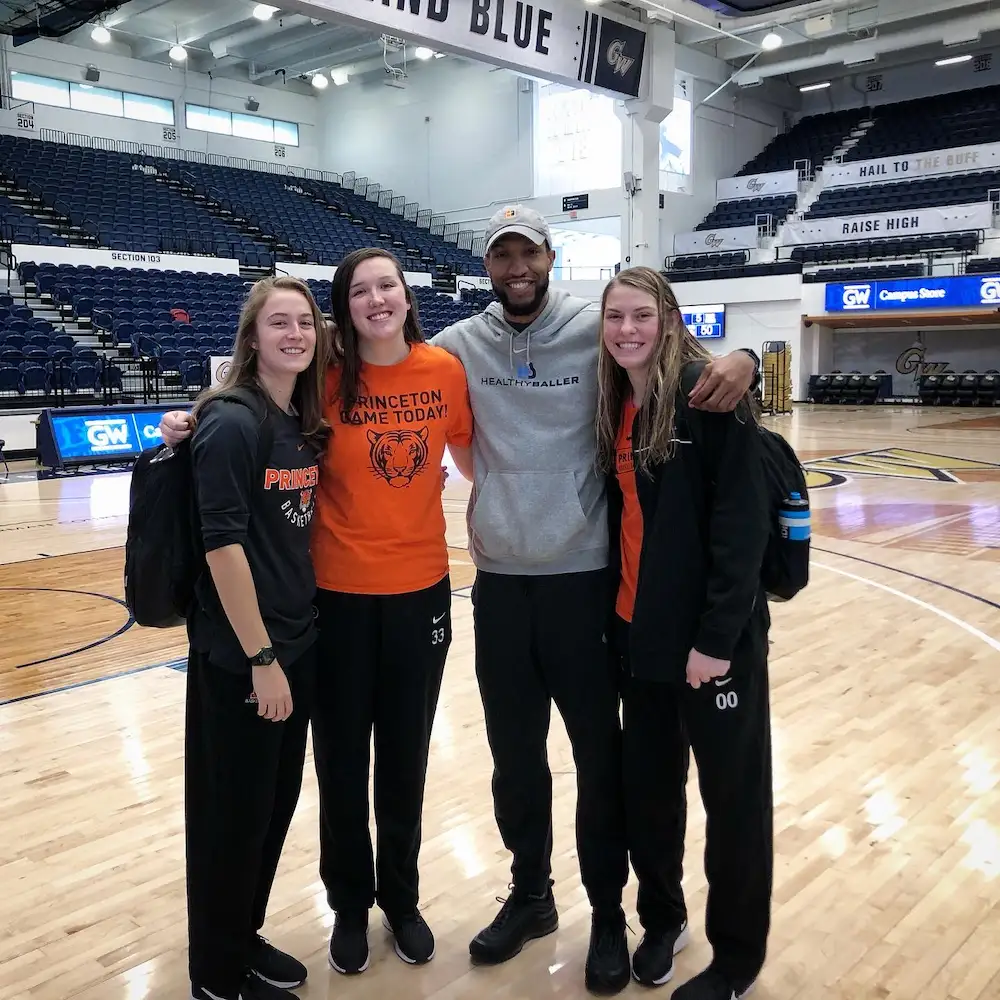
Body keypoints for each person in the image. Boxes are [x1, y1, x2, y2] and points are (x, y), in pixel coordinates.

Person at [430, 205, 760, 994]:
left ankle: (610, 913)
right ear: (488, 266)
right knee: (515, 761)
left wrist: (746, 352)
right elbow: (362, 366)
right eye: (501, 256)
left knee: (601, 763)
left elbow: (683, 351)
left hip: (587, 584)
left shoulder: (597, 328)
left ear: (551, 257)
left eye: (528, 253)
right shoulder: (458, 345)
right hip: (501, 584)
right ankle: (532, 894)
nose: (516, 267)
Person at [162, 249, 475, 979]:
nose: (376, 299)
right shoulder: (322, 380)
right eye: (359, 290)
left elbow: (476, 452)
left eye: (387, 286)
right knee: (338, 765)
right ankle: (348, 906)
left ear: (406, 295)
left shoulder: (444, 372)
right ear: (345, 308)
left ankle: (402, 898)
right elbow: (243, 415)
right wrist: (192, 419)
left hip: (421, 593)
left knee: (405, 761)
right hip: (332, 602)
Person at [597, 266, 772, 1000]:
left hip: (712, 648)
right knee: (652, 795)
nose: (628, 330)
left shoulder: (710, 396)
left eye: (642, 315)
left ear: (668, 318)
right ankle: (661, 921)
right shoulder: (619, 400)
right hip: (639, 639)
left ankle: (736, 960)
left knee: (733, 802)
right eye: (615, 318)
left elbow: (741, 530)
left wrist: (717, 641)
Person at [184, 275, 332, 1000]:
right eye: (279, 323)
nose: (295, 334)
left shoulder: (296, 419)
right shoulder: (233, 421)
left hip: (295, 648)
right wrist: (262, 660)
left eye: (304, 321)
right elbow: (222, 548)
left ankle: (241, 937)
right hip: (247, 659)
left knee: (270, 812)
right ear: (252, 338)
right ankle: (215, 976)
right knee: (229, 821)